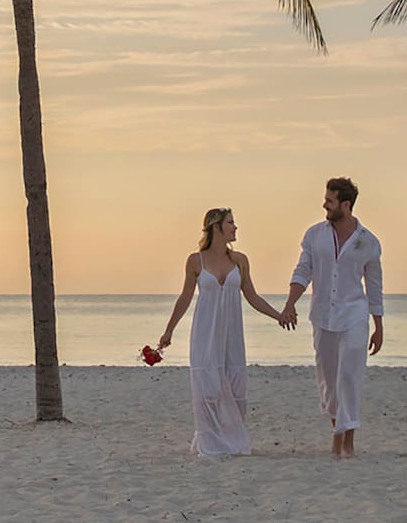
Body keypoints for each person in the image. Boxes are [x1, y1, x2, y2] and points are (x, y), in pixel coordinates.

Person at [155, 206, 290, 457]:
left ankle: (231, 439)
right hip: (205, 333)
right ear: (216, 227)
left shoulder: (239, 260)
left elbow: (252, 296)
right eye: (230, 223)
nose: (235, 227)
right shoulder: (196, 261)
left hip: (231, 334)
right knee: (209, 389)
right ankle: (210, 442)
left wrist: (278, 316)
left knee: (237, 388)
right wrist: (169, 331)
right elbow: (185, 298)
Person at [280, 176, 384, 457]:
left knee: (350, 375)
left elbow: (374, 285)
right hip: (323, 315)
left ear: (345, 205)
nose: (324, 204)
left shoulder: (368, 242)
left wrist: (378, 325)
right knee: (329, 380)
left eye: (330, 200)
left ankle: (345, 442)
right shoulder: (314, 235)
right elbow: (303, 271)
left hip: (355, 315)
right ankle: (337, 430)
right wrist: (290, 303)